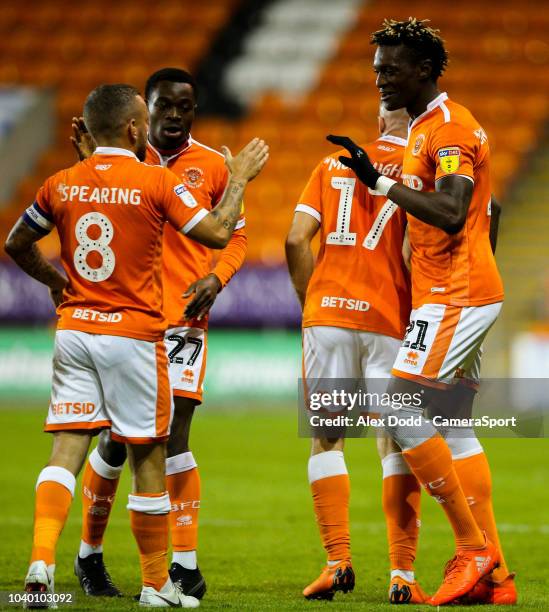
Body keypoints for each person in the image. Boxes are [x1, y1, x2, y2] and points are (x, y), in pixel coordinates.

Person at [4, 83, 268, 607]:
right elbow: (218, 231)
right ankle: (154, 585)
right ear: (133, 127)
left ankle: (41, 561)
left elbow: (16, 242)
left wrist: (56, 282)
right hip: (136, 331)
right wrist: (238, 179)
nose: (160, 121)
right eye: (151, 114)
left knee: (67, 450)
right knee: (147, 452)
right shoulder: (154, 180)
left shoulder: (62, 182)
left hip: (78, 328)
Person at [327, 17, 514, 605]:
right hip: (451, 293)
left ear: (425, 71)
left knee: (397, 404)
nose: (379, 77)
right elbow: (495, 211)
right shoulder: (424, 129)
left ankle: (471, 547)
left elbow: (456, 211)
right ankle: (498, 581)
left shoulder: (449, 130)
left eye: (391, 69)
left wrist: (378, 186)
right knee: (452, 428)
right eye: (376, 67)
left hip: (457, 294)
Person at [70, 68, 246, 601]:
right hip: (126, 318)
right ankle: (89, 554)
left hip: (184, 321)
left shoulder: (213, 166)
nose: (175, 116)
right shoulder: (121, 162)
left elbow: (235, 237)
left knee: (174, 435)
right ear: (142, 113)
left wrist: (218, 276)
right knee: (117, 443)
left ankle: (185, 566)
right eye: (165, 106)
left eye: (185, 107)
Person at [286, 107, 423, 601]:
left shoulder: (331, 165)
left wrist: (313, 304)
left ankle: (337, 561)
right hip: (388, 315)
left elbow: (296, 238)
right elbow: (414, 254)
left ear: (379, 119)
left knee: (327, 439)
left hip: (328, 317)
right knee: (396, 441)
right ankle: (402, 575)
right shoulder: (419, 177)